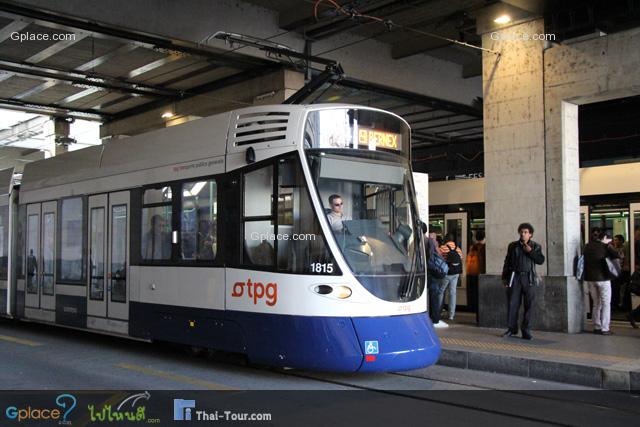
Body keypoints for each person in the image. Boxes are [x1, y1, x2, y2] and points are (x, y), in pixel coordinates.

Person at [501, 223, 545, 340]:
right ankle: (511, 329)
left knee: (529, 305)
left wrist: (530, 251)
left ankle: (526, 330)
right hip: (515, 277)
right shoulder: (513, 246)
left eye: (525, 232)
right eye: (521, 232)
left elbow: (541, 260)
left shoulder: (535, 246)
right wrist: (505, 277)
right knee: (513, 304)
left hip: (529, 278)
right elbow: (507, 262)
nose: (523, 234)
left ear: (530, 234)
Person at [583, 227, 620, 335]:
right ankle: (605, 328)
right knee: (606, 303)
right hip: (603, 279)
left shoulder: (587, 247)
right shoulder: (605, 246)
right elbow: (617, 255)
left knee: (596, 303)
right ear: (603, 237)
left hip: (590, 279)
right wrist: (608, 245)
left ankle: (597, 326)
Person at [424, 229, 448, 328]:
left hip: (428, 271)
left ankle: (433, 318)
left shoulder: (421, 241)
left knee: (432, 295)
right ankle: (435, 318)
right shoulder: (430, 241)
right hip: (433, 271)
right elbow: (438, 254)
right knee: (434, 295)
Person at [439, 233, 464, 321]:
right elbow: (461, 259)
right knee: (452, 293)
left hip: (446, 273)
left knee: (441, 291)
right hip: (455, 274)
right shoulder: (458, 249)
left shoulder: (442, 248)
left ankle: (438, 312)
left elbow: (439, 259)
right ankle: (451, 315)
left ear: (446, 239)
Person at [466, 230, 486, 319]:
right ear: (484, 238)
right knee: (482, 297)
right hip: (480, 275)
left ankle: (477, 316)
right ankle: (481, 317)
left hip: (471, 274)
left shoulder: (472, 248)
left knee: (475, 297)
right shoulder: (484, 248)